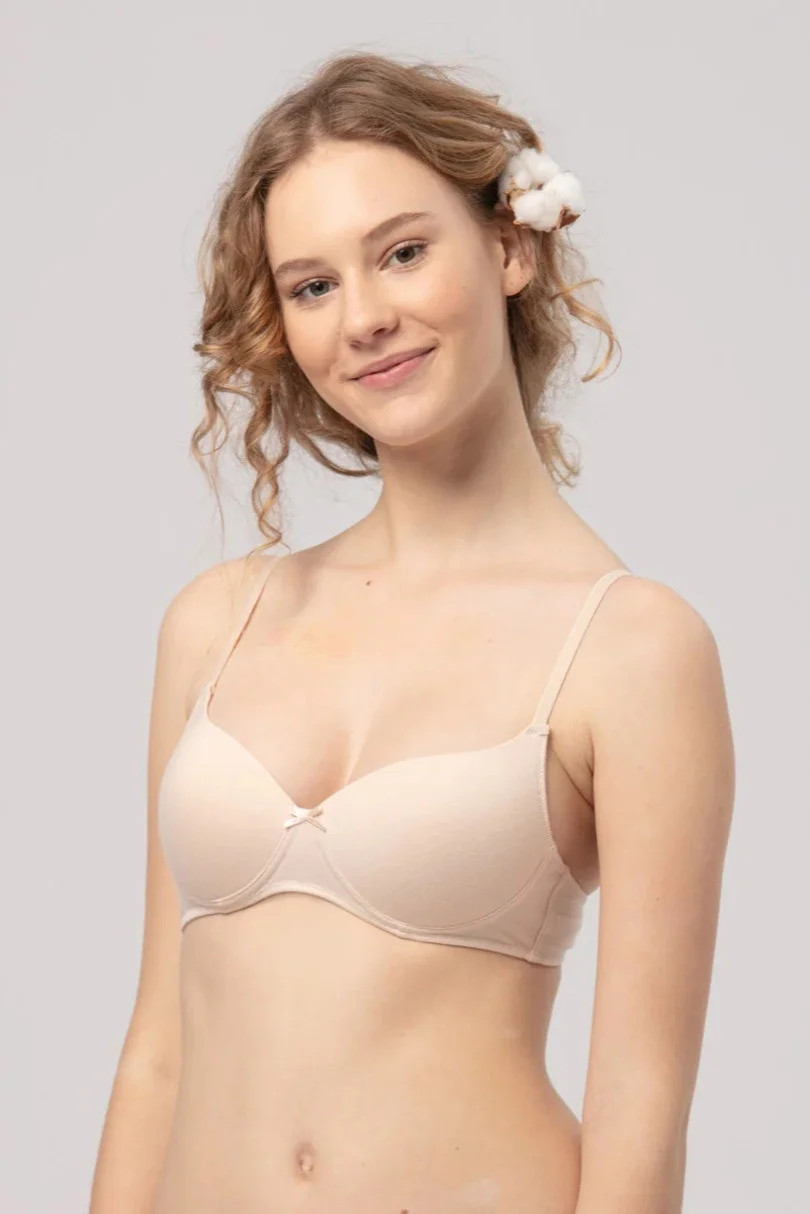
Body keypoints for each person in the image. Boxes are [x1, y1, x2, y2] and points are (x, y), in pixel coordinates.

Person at [90, 50, 735, 1214]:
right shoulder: (215, 623)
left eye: (401, 252)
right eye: (312, 285)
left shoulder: (632, 649)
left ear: (509, 246)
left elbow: (641, 1123)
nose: (365, 318)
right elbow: (154, 1056)